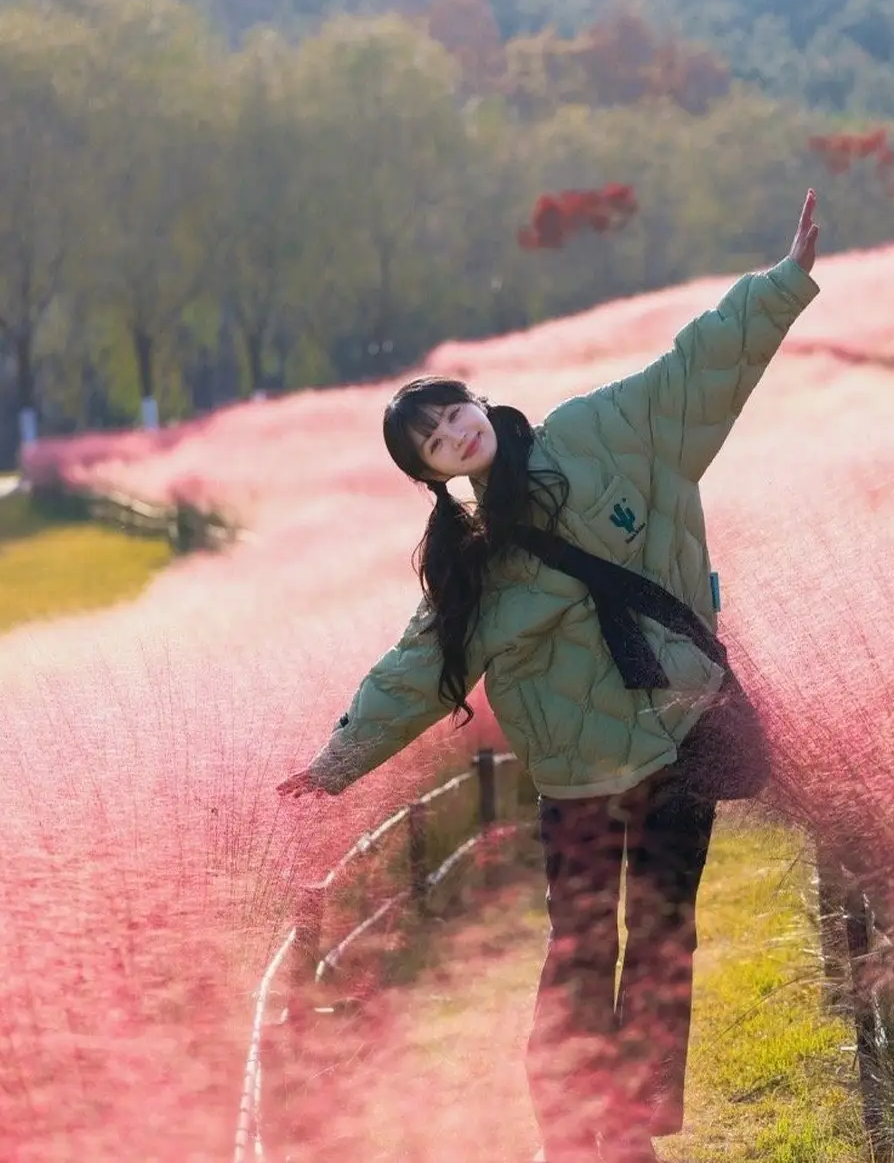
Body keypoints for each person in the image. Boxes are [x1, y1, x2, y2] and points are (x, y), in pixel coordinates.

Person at [277, 191, 823, 1162]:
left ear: (477, 401)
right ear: (431, 475)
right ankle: (575, 1129)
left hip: (676, 734)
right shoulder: (471, 561)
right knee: (579, 950)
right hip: (579, 778)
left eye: (453, 412)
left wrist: (780, 284)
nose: (455, 434)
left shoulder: (594, 436)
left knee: (661, 936)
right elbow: (416, 667)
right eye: (434, 442)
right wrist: (336, 760)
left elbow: (688, 374)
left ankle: (628, 1131)